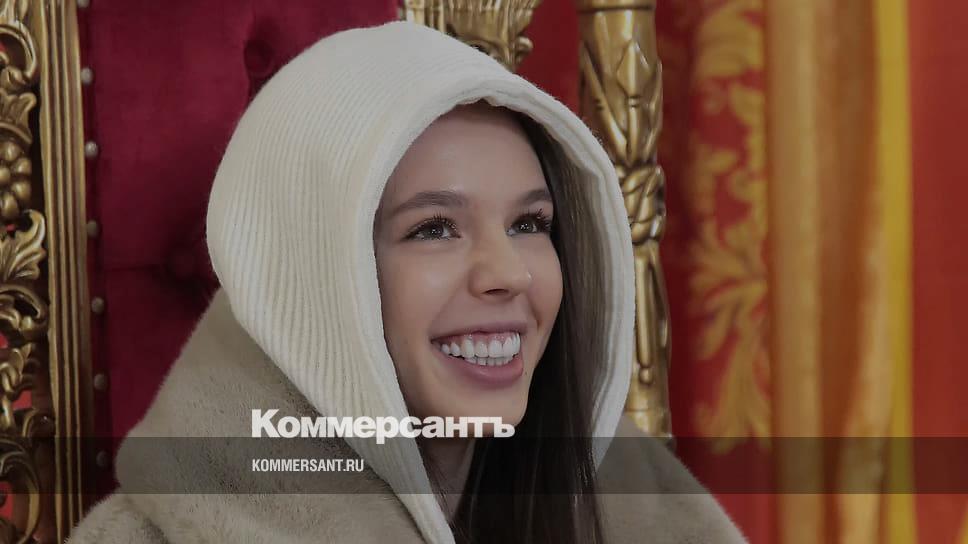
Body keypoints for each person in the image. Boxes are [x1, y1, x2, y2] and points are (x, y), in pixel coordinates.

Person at [67, 21, 745, 543]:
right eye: (434, 228)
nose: (508, 273)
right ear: (315, 275)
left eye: (529, 223)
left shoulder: (644, 517)